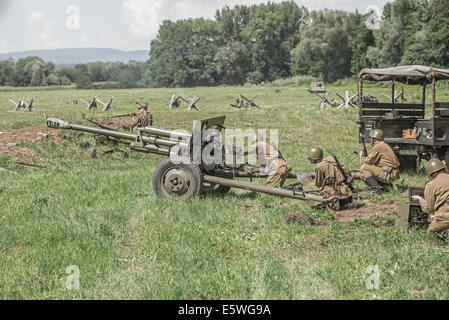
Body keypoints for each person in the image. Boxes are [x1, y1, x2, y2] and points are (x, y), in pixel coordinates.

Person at [412, 159, 449, 239]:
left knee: (430, 236)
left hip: (445, 216)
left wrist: (420, 199)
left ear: (431, 174)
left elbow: (429, 209)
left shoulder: (431, 184)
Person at [359, 129, 400, 194]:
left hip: (389, 174)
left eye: (371, 138)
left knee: (364, 168)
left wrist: (362, 156)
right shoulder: (383, 145)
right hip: (391, 172)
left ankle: (375, 190)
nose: (371, 140)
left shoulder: (378, 146)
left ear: (374, 139)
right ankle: (387, 187)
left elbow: (366, 162)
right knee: (366, 172)